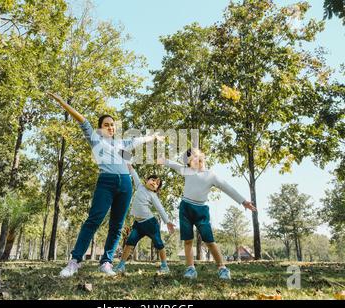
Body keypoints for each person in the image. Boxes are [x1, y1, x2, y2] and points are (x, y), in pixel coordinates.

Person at [47, 93, 164, 277]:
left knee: (117, 226)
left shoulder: (121, 143)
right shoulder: (95, 139)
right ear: (100, 128)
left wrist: (154, 136)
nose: (110, 127)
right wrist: (62, 103)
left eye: (112, 124)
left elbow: (139, 140)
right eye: (106, 124)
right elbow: (82, 120)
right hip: (106, 182)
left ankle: (106, 262)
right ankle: (74, 261)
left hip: (125, 184)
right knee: (93, 220)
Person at [158, 148, 256, 280]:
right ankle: (190, 268)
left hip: (201, 211)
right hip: (185, 208)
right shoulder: (187, 171)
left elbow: (227, 188)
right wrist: (163, 160)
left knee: (209, 241)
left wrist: (243, 201)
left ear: (201, 157)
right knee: (187, 240)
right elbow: (173, 164)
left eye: (195, 156)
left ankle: (222, 268)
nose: (193, 159)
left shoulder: (211, 175)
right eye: (189, 159)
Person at [114, 164, 175, 274]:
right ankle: (121, 265)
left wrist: (167, 222)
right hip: (138, 224)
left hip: (150, 223)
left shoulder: (152, 195)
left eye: (157, 184)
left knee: (159, 244)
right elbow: (135, 175)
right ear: (146, 180)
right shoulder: (139, 186)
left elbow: (160, 208)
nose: (154, 183)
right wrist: (130, 167)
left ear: (156, 189)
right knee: (129, 243)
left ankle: (165, 266)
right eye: (153, 180)